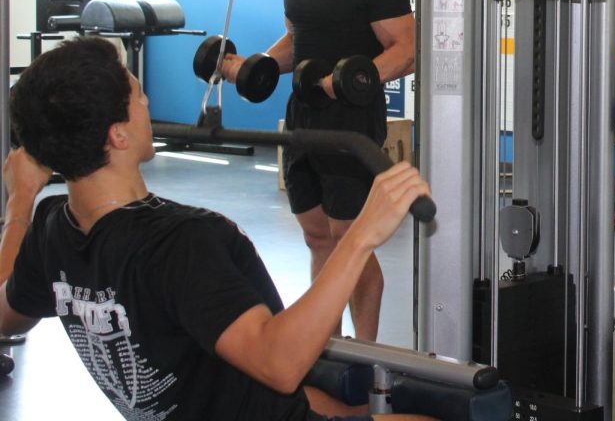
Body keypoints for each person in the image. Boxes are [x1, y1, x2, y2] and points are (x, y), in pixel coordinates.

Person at [0, 36, 435, 420]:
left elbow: (6, 317)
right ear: (118, 136)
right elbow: (280, 365)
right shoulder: (181, 240)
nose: (147, 102)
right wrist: (361, 235)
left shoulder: (51, 229)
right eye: (137, 96)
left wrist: (21, 200)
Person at [222, 0, 414, 342]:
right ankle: (323, 344)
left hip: (350, 125)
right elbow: (296, 44)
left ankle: (369, 355)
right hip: (301, 121)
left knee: (351, 240)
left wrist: (346, 80)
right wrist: (257, 64)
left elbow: (406, 51)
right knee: (316, 236)